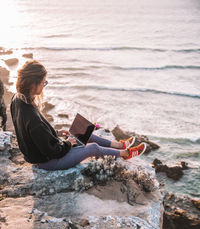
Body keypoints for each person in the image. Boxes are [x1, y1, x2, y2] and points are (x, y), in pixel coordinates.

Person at [10, 60, 146, 171]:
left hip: (41, 153)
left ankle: (119, 145)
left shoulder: (17, 99)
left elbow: (34, 134)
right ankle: (126, 154)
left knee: (82, 130)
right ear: (33, 83)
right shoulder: (32, 116)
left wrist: (55, 133)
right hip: (49, 162)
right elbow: (53, 152)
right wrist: (68, 143)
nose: (44, 85)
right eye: (43, 82)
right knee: (93, 148)